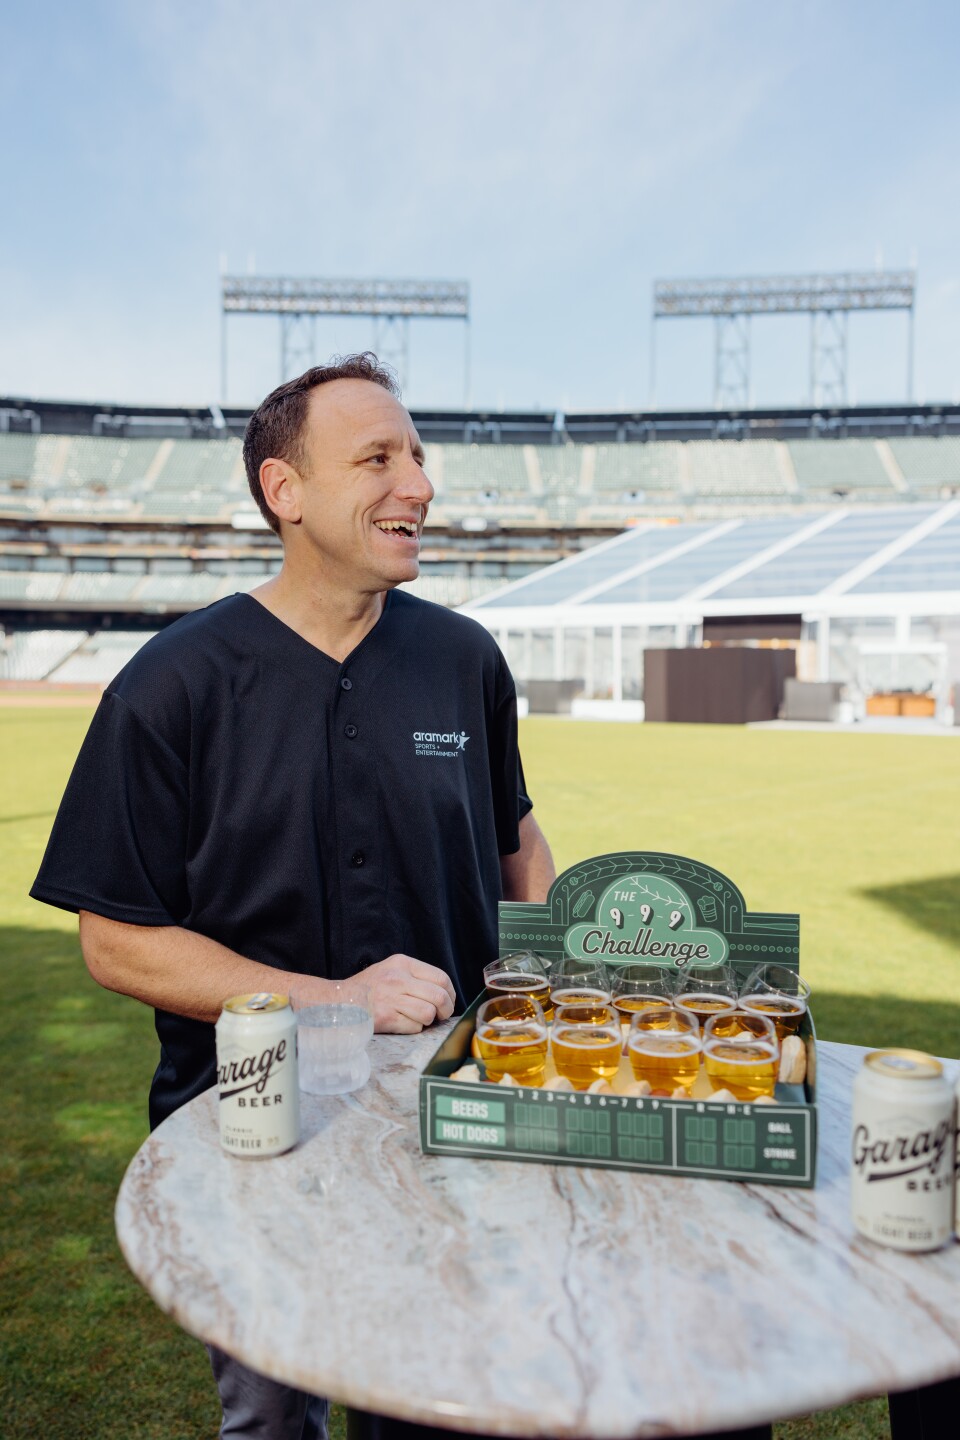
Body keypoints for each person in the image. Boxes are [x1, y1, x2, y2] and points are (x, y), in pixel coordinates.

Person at [31, 353, 556, 1440]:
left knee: (435, 1404)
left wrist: (539, 994)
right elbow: (118, 941)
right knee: (273, 1420)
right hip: (252, 1134)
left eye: (416, 455)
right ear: (287, 491)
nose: (417, 483)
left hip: (448, 1123)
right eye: (377, 457)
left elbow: (519, 848)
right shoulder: (169, 685)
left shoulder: (466, 659)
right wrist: (334, 998)